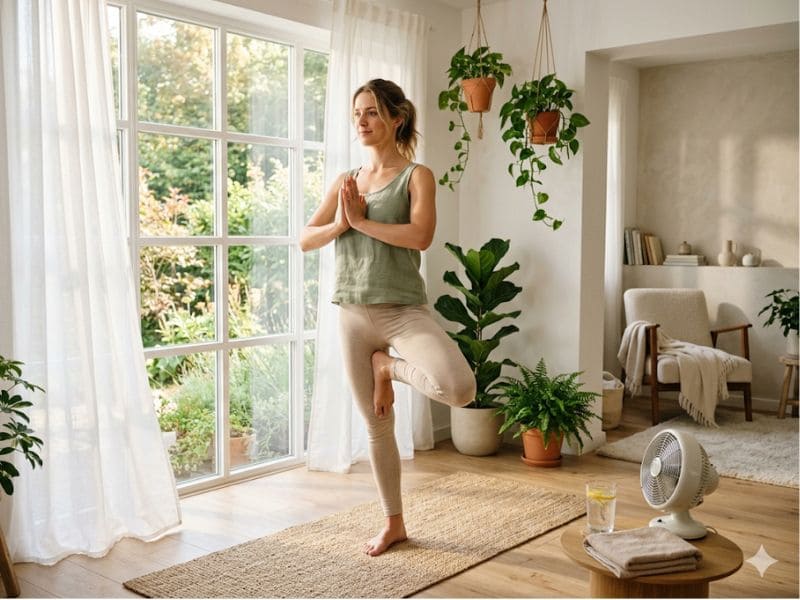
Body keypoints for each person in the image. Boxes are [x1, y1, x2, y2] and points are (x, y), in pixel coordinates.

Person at [300, 79, 476, 556]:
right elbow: (304, 238)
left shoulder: (417, 175)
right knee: (378, 427)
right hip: (353, 314)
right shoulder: (346, 182)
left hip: (402, 311)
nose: (361, 121)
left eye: (372, 112)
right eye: (357, 112)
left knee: (459, 388)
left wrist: (360, 224)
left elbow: (421, 236)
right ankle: (393, 522)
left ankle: (388, 368)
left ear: (397, 117)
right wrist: (340, 223)